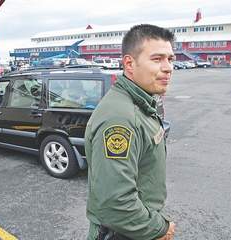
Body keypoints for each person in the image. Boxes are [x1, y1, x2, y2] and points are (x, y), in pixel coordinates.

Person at [85, 24, 176, 240]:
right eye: (157, 59)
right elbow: (116, 202)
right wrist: (160, 228)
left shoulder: (142, 103)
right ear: (129, 63)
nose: (168, 67)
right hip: (124, 233)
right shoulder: (120, 119)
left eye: (170, 59)